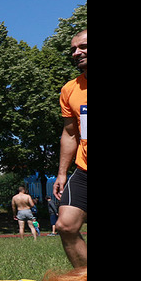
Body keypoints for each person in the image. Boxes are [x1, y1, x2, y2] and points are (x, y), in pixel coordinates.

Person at [52, 30, 87, 267]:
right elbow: (70, 133)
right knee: (65, 224)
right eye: (73, 49)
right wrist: (62, 172)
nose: (76, 53)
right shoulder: (70, 90)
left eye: (83, 46)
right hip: (84, 169)